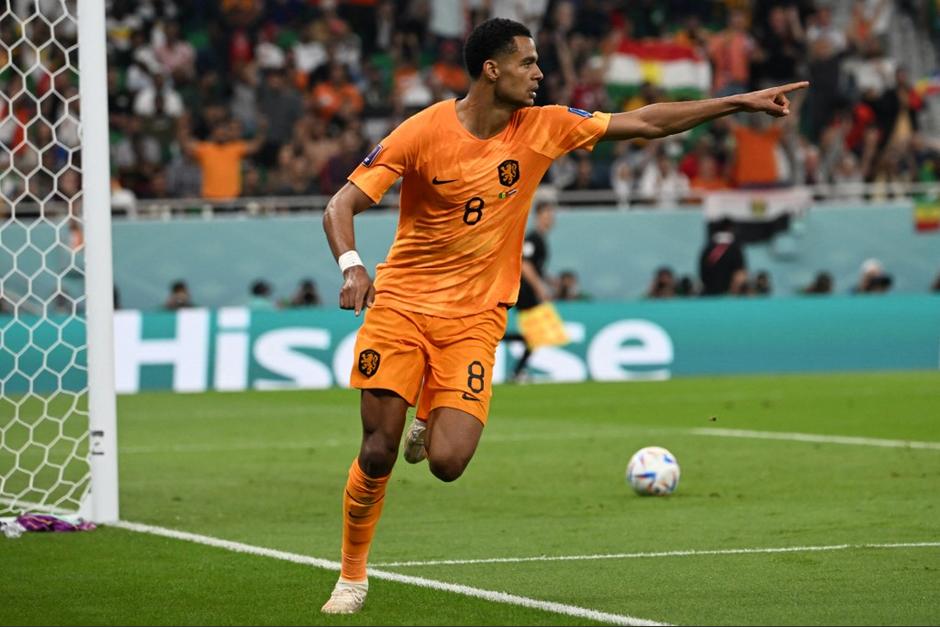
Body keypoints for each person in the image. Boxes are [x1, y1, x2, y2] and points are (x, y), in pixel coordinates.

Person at [320, 17, 808, 614]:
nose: (540, 74)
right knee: (377, 451)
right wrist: (352, 266)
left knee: (448, 463)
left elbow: (649, 121)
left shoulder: (544, 127)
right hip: (401, 305)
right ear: (491, 69)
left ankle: (431, 411)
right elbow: (342, 203)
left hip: (475, 319)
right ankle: (352, 575)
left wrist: (737, 103)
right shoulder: (421, 133)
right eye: (528, 63)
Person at [503, 200, 556, 383]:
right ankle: (516, 370)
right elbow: (525, 265)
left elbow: (536, 266)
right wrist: (540, 287)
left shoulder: (540, 238)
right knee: (535, 334)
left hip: (528, 289)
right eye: (547, 216)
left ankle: (517, 370)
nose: (550, 219)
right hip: (525, 291)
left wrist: (550, 280)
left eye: (551, 216)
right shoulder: (533, 238)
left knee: (534, 334)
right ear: (538, 217)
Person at [699, 218, 747, 296]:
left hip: (709, 294)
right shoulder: (735, 249)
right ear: (731, 229)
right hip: (728, 296)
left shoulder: (707, 249)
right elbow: (740, 275)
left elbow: (702, 273)